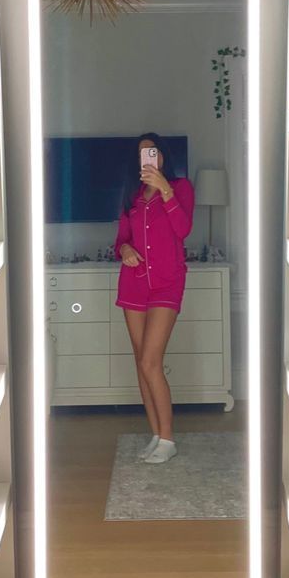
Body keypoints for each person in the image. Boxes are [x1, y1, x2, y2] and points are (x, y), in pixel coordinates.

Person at [114, 133, 194, 464]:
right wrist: (126, 249)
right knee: (140, 362)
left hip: (166, 284)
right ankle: (156, 435)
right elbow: (120, 240)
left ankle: (169, 438)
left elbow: (184, 229)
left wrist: (165, 189)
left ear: (162, 156)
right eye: (142, 154)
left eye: (153, 151)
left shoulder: (181, 187)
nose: (147, 157)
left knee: (151, 361)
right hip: (134, 284)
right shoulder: (130, 196)